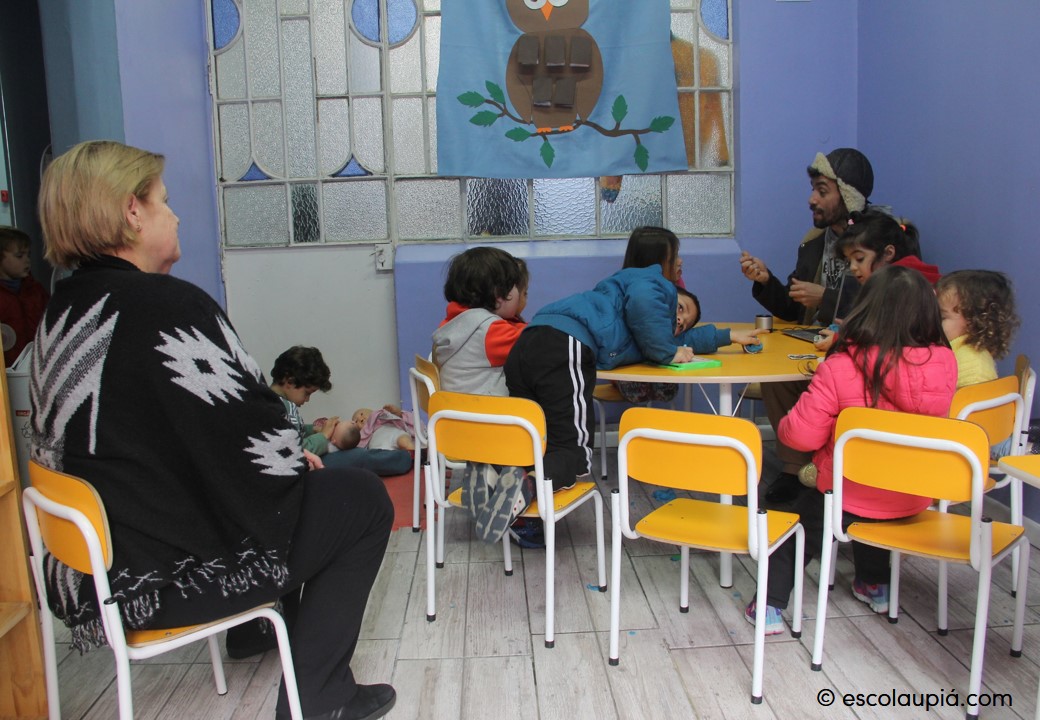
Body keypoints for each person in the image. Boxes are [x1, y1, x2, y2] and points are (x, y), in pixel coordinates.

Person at [30, 140, 396, 720]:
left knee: (275, 488)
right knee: (359, 498)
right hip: (160, 583)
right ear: (132, 212)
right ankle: (321, 699)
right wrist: (294, 457)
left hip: (91, 575)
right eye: (164, 201)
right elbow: (259, 433)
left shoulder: (60, 314)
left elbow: (173, 440)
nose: (176, 217)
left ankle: (254, 631)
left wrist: (283, 458)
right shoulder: (165, 308)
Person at [745, 265, 957, 635]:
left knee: (798, 527)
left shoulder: (841, 365)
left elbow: (799, 438)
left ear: (865, 309)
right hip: (911, 494)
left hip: (845, 492)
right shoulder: (945, 363)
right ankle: (874, 584)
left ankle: (768, 605)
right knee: (876, 506)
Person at [502, 264, 764, 544]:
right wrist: (666, 353)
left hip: (526, 344)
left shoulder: (639, 321)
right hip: (564, 344)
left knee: (531, 440)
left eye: (683, 323)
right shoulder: (651, 284)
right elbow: (647, 306)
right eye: (680, 308)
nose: (679, 319)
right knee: (573, 451)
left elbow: (683, 339)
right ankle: (526, 487)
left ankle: (511, 494)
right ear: (669, 294)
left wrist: (727, 336)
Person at [738, 148, 875, 505]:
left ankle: (840, 469)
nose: (812, 199)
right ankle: (794, 469)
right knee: (776, 374)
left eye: (822, 191)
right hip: (813, 344)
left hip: (859, 350)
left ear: (848, 196)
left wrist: (826, 298)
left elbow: (886, 305)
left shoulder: (880, 239)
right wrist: (766, 281)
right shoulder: (813, 243)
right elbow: (793, 307)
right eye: (813, 189)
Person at [270, 346, 412, 477]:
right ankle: (409, 458)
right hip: (300, 468)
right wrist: (323, 436)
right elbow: (294, 450)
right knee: (359, 457)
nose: (307, 400)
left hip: (306, 461)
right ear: (289, 381)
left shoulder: (281, 403)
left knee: (355, 452)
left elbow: (295, 431)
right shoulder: (274, 408)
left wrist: (314, 429)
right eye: (307, 393)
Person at [810, 211, 939, 353]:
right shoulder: (904, 281)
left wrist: (842, 341)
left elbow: (887, 339)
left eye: (859, 259)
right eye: (849, 261)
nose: (853, 267)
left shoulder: (902, 288)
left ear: (888, 253)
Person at [613, 226, 699, 404]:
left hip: (660, 358)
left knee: (666, 387)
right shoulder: (636, 291)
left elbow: (677, 331)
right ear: (655, 263)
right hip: (631, 364)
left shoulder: (674, 286)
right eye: (674, 257)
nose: (680, 261)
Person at [935, 270, 1020, 389]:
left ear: (974, 322)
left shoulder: (974, 366)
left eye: (942, 317)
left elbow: (969, 400)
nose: (932, 321)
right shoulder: (951, 350)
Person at [0, 225, 50, 367]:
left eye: (28, 255)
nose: (27, 260)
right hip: (6, 370)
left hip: (38, 365)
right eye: (19, 256)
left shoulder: (36, 290)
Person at [349, 404, 416, 451]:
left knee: (404, 441)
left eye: (361, 414)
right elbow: (357, 447)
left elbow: (402, 420)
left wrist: (397, 414)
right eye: (356, 421)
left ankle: (416, 456)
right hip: (378, 448)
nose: (361, 418)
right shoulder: (363, 436)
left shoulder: (382, 416)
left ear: (372, 412)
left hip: (394, 434)